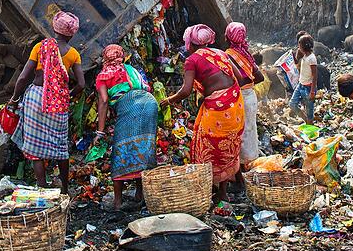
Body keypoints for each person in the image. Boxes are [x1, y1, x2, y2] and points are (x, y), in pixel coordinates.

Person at [160, 24, 245, 202]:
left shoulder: (192, 60)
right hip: (235, 104)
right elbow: (241, 78)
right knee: (228, 145)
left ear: (191, 42)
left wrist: (167, 101)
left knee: (208, 145)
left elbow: (185, 91)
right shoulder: (221, 53)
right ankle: (223, 190)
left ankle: (212, 189)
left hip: (217, 109)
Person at [9, 11, 85, 193]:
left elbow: (23, 78)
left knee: (35, 149)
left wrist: (14, 98)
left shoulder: (40, 47)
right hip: (58, 102)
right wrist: (68, 95)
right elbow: (81, 84)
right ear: (72, 33)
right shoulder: (73, 54)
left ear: (54, 28)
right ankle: (65, 190)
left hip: (35, 99)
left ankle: (42, 188)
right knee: (60, 146)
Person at [94, 44, 158, 210]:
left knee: (120, 150)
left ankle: (117, 201)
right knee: (143, 147)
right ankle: (140, 194)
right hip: (150, 103)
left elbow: (104, 101)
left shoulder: (103, 75)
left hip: (132, 106)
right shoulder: (131, 69)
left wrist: (99, 132)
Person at [224, 22, 265, 184]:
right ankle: (246, 169)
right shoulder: (246, 54)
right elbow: (260, 77)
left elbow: (232, 78)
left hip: (238, 98)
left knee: (237, 134)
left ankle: (239, 176)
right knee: (249, 131)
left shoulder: (228, 55)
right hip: (251, 97)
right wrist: (249, 85)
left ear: (227, 37)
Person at [289, 34, 317, 124]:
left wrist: (312, 91)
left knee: (309, 112)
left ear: (304, 46)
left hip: (308, 88)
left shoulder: (312, 58)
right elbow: (297, 61)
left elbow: (315, 75)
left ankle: (310, 124)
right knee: (292, 104)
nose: (298, 47)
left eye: (299, 45)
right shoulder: (304, 56)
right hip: (300, 85)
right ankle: (306, 121)